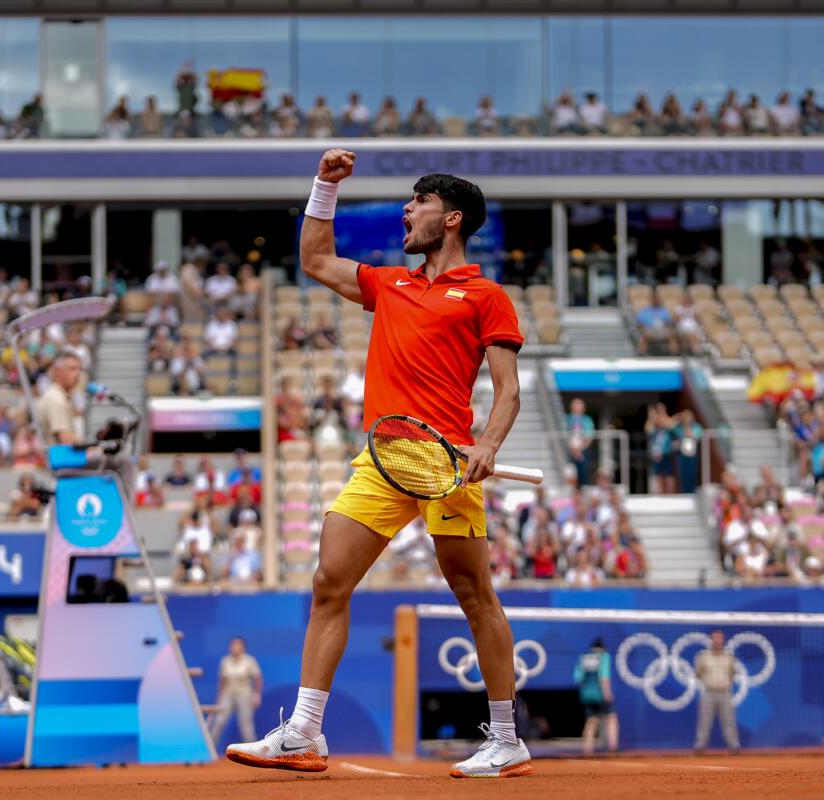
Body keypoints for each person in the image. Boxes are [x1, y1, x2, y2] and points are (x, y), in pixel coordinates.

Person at [227, 151, 531, 778]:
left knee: (475, 595)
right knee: (327, 582)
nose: (406, 210)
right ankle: (306, 731)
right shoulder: (389, 283)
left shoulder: (486, 295)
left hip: (447, 461)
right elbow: (313, 260)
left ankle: (506, 738)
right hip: (385, 457)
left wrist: (487, 447)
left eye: (417, 202)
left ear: (451, 219)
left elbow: (509, 391)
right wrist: (324, 186)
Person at [693, 630, 741, 754]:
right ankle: (700, 746)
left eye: (720, 639)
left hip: (725, 693)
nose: (717, 641)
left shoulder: (729, 657)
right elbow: (698, 673)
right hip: (708, 693)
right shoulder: (703, 656)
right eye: (715, 638)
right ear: (711, 640)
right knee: (704, 721)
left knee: (729, 721)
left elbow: (733, 673)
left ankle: (734, 746)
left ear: (723, 640)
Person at [210, 637, 263, 746]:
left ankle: (252, 752)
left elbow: (258, 678)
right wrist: (219, 698)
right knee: (219, 721)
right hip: (227, 694)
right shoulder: (225, 660)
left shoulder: (249, 660)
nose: (235, 647)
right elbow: (222, 680)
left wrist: (256, 695)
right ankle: (208, 750)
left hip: (244, 694)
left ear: (243, 647)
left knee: (246, 724)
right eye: (233, 644)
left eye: (238, 644)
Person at [574, 638, 618, 755]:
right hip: (600, 693)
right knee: (611, 718)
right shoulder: (604, 656)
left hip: (587, 694)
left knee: (591, 721)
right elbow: (604, 677)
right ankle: (613, 747)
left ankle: (587, 749)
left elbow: (578, 678)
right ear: (603, 648)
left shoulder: (584, 658)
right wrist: (607, 692)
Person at [35, 351, 83, 445]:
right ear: (57, 371)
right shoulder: (55, 398)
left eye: (80, 369)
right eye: (72, 369)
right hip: (53, 457)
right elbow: (65, 439)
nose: (77, 373)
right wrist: (93, 447)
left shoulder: (61, 396)